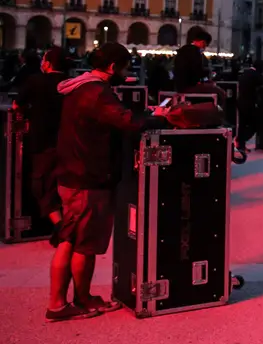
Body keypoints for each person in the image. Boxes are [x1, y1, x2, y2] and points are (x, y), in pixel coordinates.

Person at [49, 43, 171, 322]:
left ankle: (83, 296)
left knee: (73, 240)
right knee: (79, 244)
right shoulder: (96, 92)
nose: (128, 73)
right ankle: (60, 304)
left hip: (74, 173)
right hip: (87, 178)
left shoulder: (80, 86)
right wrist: (157, 118)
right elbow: (127, 121)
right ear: (113, 67)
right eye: (126, 67)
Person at [14, 46, 69, 242]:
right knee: (64, 185)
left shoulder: (35, 81)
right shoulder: (71, 84)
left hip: (41, 142)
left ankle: (59, 225)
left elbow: (16, 106)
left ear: (47, 63)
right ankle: (63, 223)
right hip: (68, 142)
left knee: (42, 185)